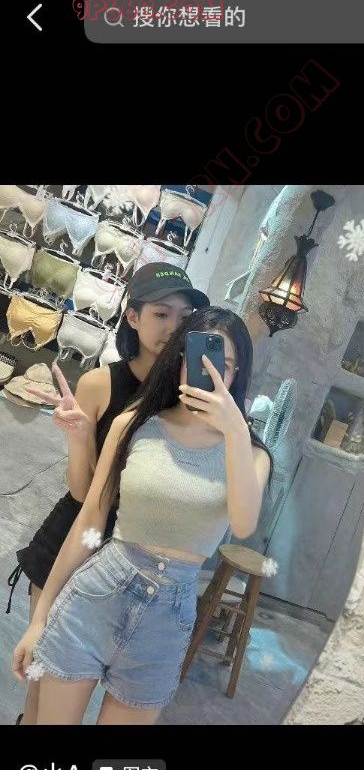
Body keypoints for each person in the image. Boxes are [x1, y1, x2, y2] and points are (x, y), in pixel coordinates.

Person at [11, 308, 273, 726]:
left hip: (167, 622)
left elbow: (242, 524)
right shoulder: (134, 424)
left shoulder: (252, 455)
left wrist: (236, 431)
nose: (208, 372)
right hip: (97, 594)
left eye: (222, 364)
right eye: (198, 358)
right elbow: (91, 520)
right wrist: (40, 616)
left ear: (237, 373)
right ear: (180, 360)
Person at [7, 262, 209, 724]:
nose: (172, 327)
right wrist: (81, 437)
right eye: (161, 314)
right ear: (133, 317)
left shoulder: (188, 399)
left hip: (138, 562)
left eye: (184, 317)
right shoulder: (102, 383)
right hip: (76, 542)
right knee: (42, 697)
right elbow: (83, 493)